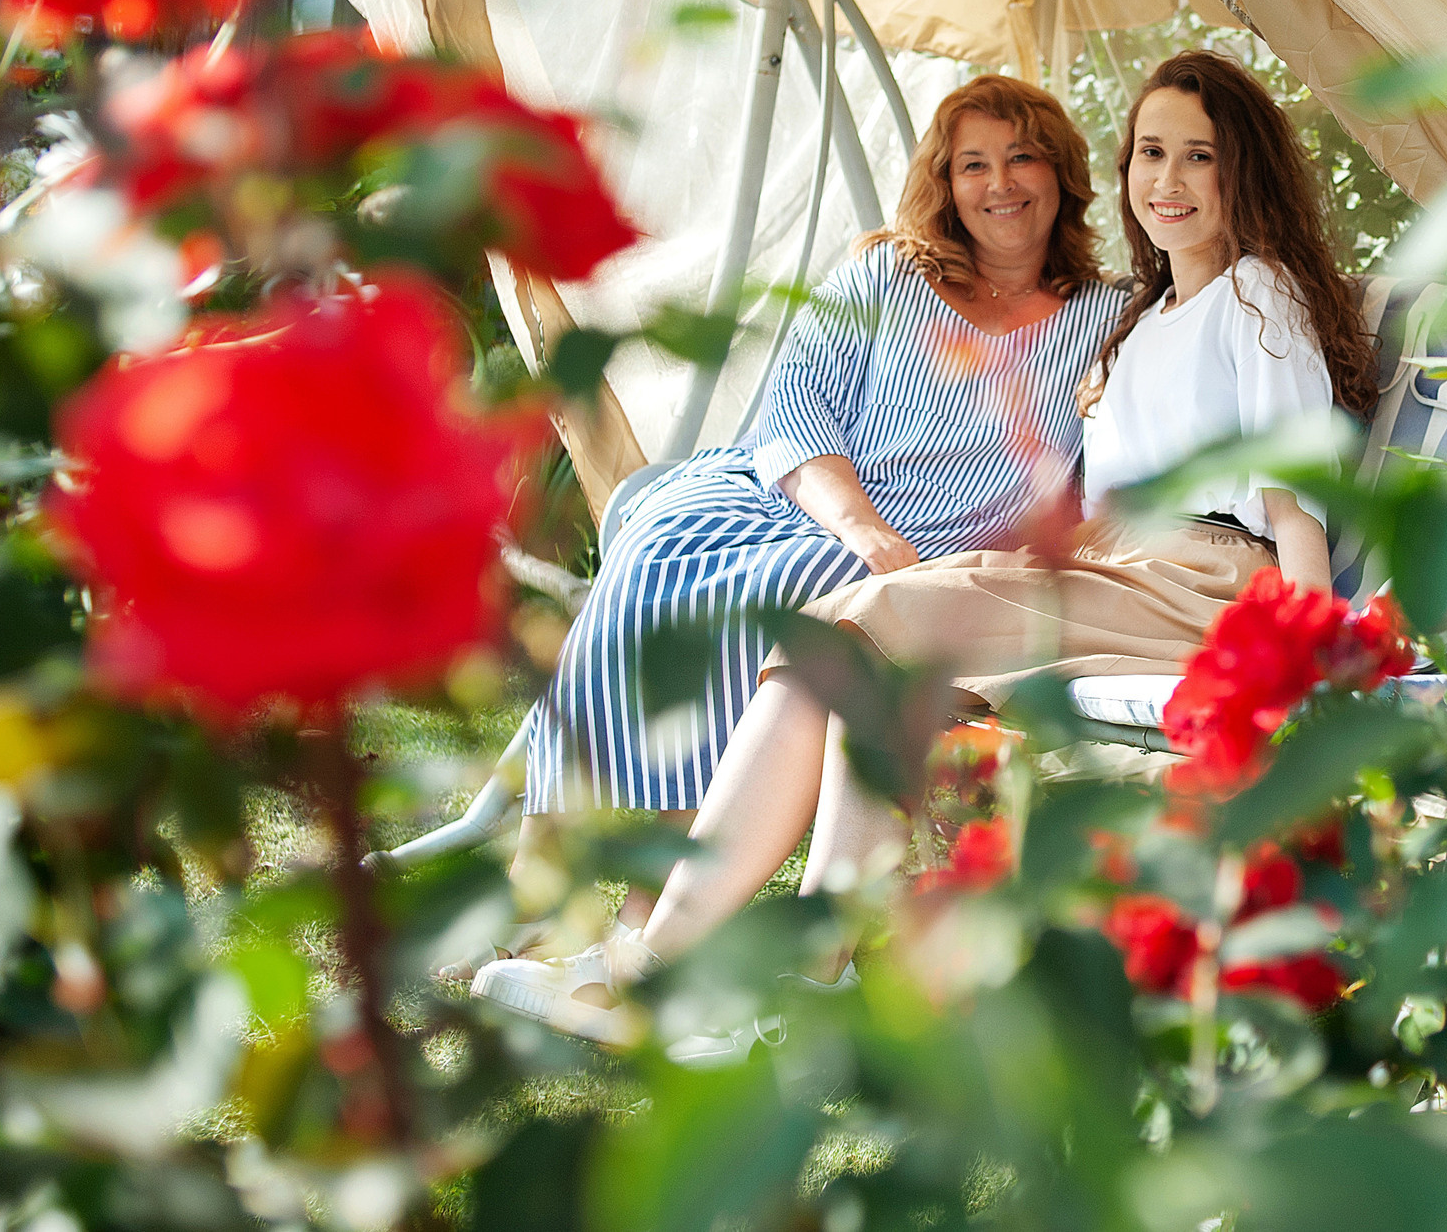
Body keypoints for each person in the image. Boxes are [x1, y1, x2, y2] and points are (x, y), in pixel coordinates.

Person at [484, 49, 1378, 1045]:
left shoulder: (1259, 298)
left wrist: (1313, 668)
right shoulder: (1144, 316)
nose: (1166, 181)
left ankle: (664, 968)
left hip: (1202, 581)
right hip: (1116, 567)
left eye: (1198, 157)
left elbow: (1294, 514)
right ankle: (792, 975)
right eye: (1151, 152)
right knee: (856, 646)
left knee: (872, 619)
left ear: (1240, 170)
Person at [469, 75, 1121, 1004]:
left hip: (943, 549)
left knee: (777, 598)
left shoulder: (1107, 314)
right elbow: (798, 407)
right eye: (973, 163)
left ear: (1062, 176)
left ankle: (631, 928)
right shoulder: (888, 273)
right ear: (946, 181)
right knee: (660, 557)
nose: (1000, 183)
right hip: (814, 497)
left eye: (1023, 157)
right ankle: (552, 887)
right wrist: (858, 521)